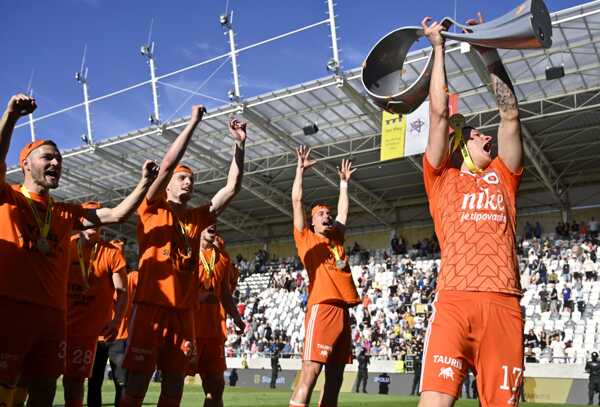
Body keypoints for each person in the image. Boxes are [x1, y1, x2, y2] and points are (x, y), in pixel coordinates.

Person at [0, 94, 158, 407]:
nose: (56, 162)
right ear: (25, 164)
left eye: (58, 158)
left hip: (53, 317)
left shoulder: (65, 212)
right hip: (11, 309)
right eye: (47, 157)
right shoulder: (9, 198)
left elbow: (115, 215)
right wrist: (10, 117)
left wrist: (144, 184)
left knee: (44, 391)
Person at [419, 13, 524, 407]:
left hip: (503, 303)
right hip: (454, 302)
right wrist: (439, 49)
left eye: (483, 131)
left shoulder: (505, 175)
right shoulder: (440, 178)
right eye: (474, 132)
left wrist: (487, 51)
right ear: (461, 145)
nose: (485, 135)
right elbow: (439, 115)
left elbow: (510, 114)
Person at [121, 106, 246, 407]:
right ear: (167, 186)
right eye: (182, 179)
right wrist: (193, 123)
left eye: (191, 179)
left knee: (174, 387)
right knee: (137, 385)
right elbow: (166, 165)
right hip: (151, 306)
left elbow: (232, 188)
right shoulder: (151, 207)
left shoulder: (197, 218)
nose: (188, 183)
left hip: (183, 313)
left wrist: (240, 145)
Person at [288, 148, 361, 407]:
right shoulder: (305, 238)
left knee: (336, 378)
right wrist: (300, 171)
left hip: (343, 310)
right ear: (312, 222)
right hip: (322, 306)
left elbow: (343, 212)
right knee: (311, 371)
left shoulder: (336, 237)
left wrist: (343, 184)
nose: (327, 216)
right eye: (321, 214)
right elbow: (296, 201)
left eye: (328, 214)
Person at [62, 211, 128, 407]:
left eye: (97, 219)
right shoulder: (66, 246)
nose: (92, 222)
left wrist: (117, 322)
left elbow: (123, 293)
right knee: (41, 380)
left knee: (85, 382)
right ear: (79, 220)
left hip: (101, 333)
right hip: (62, 326)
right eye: (88, 218)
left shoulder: (112, 254)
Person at [190, 224, 245, 407]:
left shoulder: (221, 259)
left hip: (214, 332)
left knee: (216, 387)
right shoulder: (185, 254)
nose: (212, 225)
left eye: (214, 223)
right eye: (207, 223)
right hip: (188, 330)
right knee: (173, 383)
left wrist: (236, 317)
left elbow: (225, 293)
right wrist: (200, 296)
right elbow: (175, 288)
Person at [88, 269, 139, 407]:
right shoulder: (96, 276)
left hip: (119, 337)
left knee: (121, 384)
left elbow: (146, 282)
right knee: (94, 383)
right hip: (98, 338)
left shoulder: (129, 278)